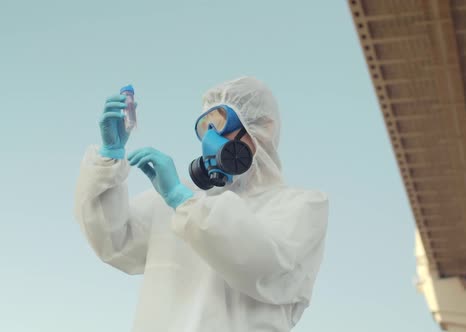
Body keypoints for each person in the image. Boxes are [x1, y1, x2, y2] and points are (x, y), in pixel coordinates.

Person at [74, 77, 329, 332]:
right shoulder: (180, 201)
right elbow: (113, 240)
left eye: (220, 123)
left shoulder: (302, 206)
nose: (211, 138)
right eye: (205, 127)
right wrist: (109, 159)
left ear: (265, 127)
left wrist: (182, 200)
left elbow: (267, 267)